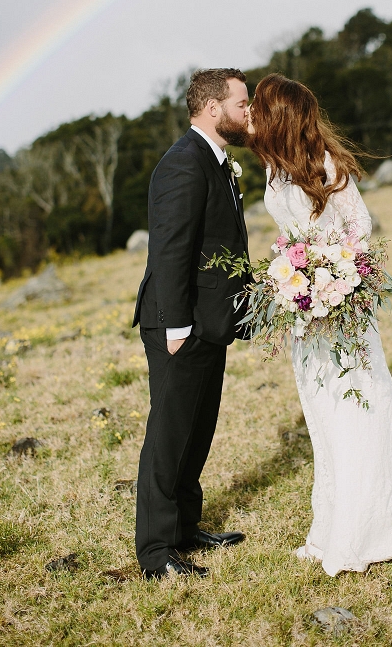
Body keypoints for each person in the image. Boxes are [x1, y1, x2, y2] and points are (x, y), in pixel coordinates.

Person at [247, 73, 392, 577]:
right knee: (325, 415)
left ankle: (367, 528)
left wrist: (333, 270)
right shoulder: (273, 169)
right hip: (304, 309)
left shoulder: (325, 165)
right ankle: (332, 527)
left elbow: (361, 228)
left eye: (259, 107)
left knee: (358, 407)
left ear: (278, 116)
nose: (250, 115)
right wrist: (295, 277)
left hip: (338, 308)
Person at [133, 68, 250, 579]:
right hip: (179, 325)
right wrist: (177, 327)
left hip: (209, 321)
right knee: (169, 434)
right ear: (210, 107)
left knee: (197, 430)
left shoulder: (217, 160)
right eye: (242, 104)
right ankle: (157, 553)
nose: (250, 112)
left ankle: (184, 528)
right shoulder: (183, 164)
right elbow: (172, 250)